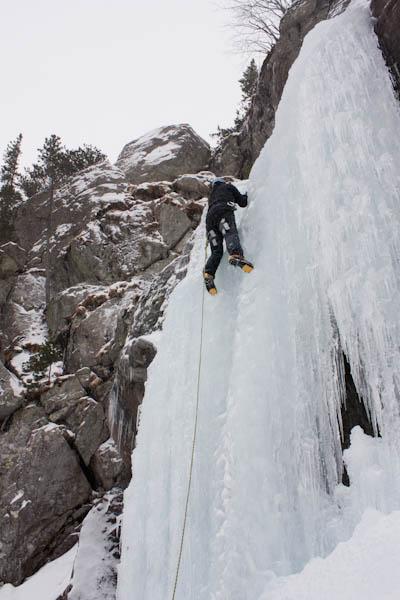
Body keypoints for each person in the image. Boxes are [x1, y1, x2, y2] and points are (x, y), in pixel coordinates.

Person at [203, 177, 254, 295]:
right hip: (223, 212)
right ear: (223, 183)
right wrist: (248, 194)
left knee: (216, 251)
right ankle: (235, 254)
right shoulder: (228, 187)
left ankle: (209, 273)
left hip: (210, 222)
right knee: (229, 233)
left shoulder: (211, 197)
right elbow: (242, 202)